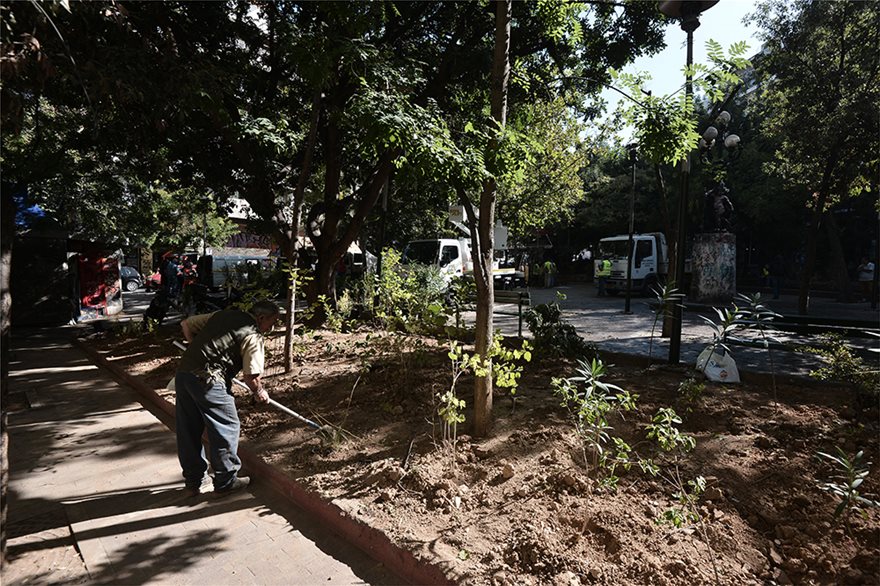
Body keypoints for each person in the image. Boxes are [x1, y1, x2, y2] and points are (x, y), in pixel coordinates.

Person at [175, 300, 281, 497]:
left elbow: (186, 324)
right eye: (272, 322)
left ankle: (194, 480)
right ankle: (226, 481)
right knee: (227, 425)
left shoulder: (223, 314)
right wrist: (259, 392)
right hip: (208, 380)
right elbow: (252, 376)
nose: (272, 328)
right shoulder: (253, 334)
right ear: (261, 318)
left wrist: (196, 349)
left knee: (188, 427)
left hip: (184, 374)